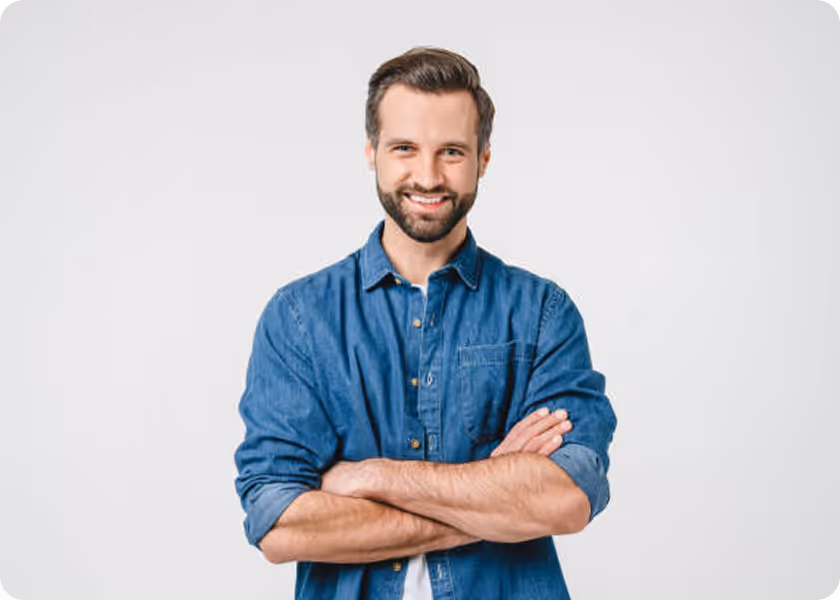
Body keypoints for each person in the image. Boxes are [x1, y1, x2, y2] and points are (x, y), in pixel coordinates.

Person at [234, 46, 617, 600]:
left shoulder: (541, 313)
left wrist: (372, 476)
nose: (428, 175)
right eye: (405, 148)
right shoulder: (299, 318)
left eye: (452, 152)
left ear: (484, 158)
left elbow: (566, 499)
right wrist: (491, 487)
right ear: (372, 152)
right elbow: (279, 523)